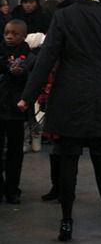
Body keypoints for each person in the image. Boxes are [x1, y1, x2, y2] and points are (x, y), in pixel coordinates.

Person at [17, 0, 101, 241]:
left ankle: (66, 223)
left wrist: (27, 96)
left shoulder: (64, 16)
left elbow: (46, 59)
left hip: (69, 97)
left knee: (68, 162)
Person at [0, 19, 35, 204]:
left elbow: (31, 80)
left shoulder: (29, 56)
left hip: (16, 110)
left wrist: (21, 73)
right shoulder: (1, 52)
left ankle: (12, 189)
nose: (9, 36)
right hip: (1, 107)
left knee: (15, 152)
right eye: (7, 33)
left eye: (14, 33)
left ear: (23, 36)